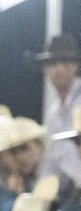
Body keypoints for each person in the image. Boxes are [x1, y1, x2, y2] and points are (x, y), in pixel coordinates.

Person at [27, 34, 81, 187]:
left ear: (75, 66)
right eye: (53, 63)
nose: (59, 69)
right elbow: (52, 159)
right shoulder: (53, 113)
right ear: (46, 69)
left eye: (65, 62)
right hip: (69, 195)